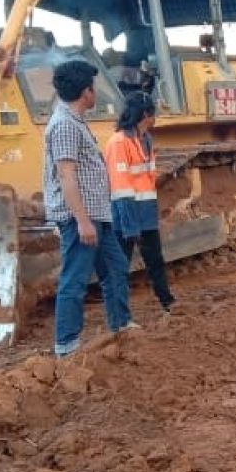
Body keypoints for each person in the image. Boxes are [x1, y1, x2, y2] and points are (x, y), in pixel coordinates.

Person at [43, 60, 136, 357]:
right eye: (93, 88)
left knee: (116, 268)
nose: (95, 93)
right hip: (81, 219)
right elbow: (66, 175)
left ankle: (121, 325)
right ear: (86, 92)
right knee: (75, 279)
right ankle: (67, 346)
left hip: (97, 215)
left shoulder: (75, 122)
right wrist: (82, 222)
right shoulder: (65, 125)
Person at [104, 92, 176, 313]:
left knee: (155, 259)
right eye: (154, 115)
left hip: (145, 213)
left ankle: (167, 301)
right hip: (126, 215)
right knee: (120, 266)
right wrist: (130, 225)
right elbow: (121, 186)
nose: (155, 120)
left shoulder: (145, 140)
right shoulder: (118, 143)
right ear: (146, 114)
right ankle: (119, 316)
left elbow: (146, 179)